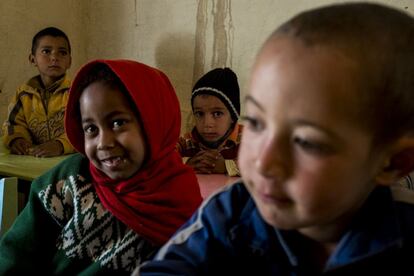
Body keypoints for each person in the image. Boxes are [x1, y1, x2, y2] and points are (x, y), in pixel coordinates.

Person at [137, 3, 414, 275]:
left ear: (392, 162)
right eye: (256, 122)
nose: (262, 163)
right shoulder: (230, 211)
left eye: (306, 141)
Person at [0, 59, 202, 274]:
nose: (104, 142)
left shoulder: (180, 202)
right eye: (91, 128)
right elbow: (15, 256)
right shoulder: (68, 181)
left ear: (154, 121)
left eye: (118, 123)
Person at [2, 27, 74, 157]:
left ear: (69, 61)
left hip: (68, 160)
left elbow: (84, 129)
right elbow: (13, 124)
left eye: (62, 53)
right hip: (35, 161)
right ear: (32, 59)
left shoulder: (77, 92)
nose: (54, 58)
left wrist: (60, 145)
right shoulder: (23, 94)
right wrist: (17, 139)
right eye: (46, 51)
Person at [177, 67, 243, 176]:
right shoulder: (187, 142)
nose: (207, 124)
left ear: (233, 116)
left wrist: (227, 166)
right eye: (199, 114)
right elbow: (161, 160)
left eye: (217, 113)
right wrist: (186, 163)